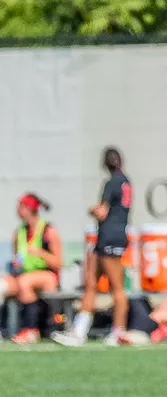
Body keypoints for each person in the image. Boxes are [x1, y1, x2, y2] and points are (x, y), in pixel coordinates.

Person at [54, 148, 136, 346]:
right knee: (90, 283)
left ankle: (118, 331)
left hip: (108, 237)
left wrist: (91, 210)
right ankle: (79, 331)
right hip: (114, 236)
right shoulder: (126, 182)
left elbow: (102, 212)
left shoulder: (112, 182)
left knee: (116, 287)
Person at [5, 194, 62, 344]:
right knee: (4, 284)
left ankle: (31, 329)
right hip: (25, 273)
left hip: (48, 275)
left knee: (25, 282)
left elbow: (58, 263)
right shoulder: (19, 232)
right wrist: (15, 265)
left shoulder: (48, 230)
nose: (18, 210)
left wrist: (40, 253)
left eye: (21, 207)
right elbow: (17, 258)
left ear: (30, 209)